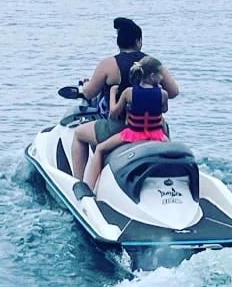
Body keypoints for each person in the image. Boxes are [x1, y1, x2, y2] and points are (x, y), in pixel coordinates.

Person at [71, 18, 179, 182]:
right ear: (139, 41)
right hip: (156, 128)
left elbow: (90, 92)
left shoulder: (108, 64)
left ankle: (77, 184)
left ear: (119, 42)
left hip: (120, 128)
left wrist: (86, 85)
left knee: (79, 134)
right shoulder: (153, 65)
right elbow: (173, 92)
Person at [77, 57, 170, 194]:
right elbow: (164, 110)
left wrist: (113, 92)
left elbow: (114, 112)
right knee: (171, 151)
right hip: (157, 135)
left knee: (100, 149)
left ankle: (89, 189)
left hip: (133, 135)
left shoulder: (129, 93)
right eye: (160, 74)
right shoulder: (163, 94)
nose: (162, 77)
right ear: (152, 76)